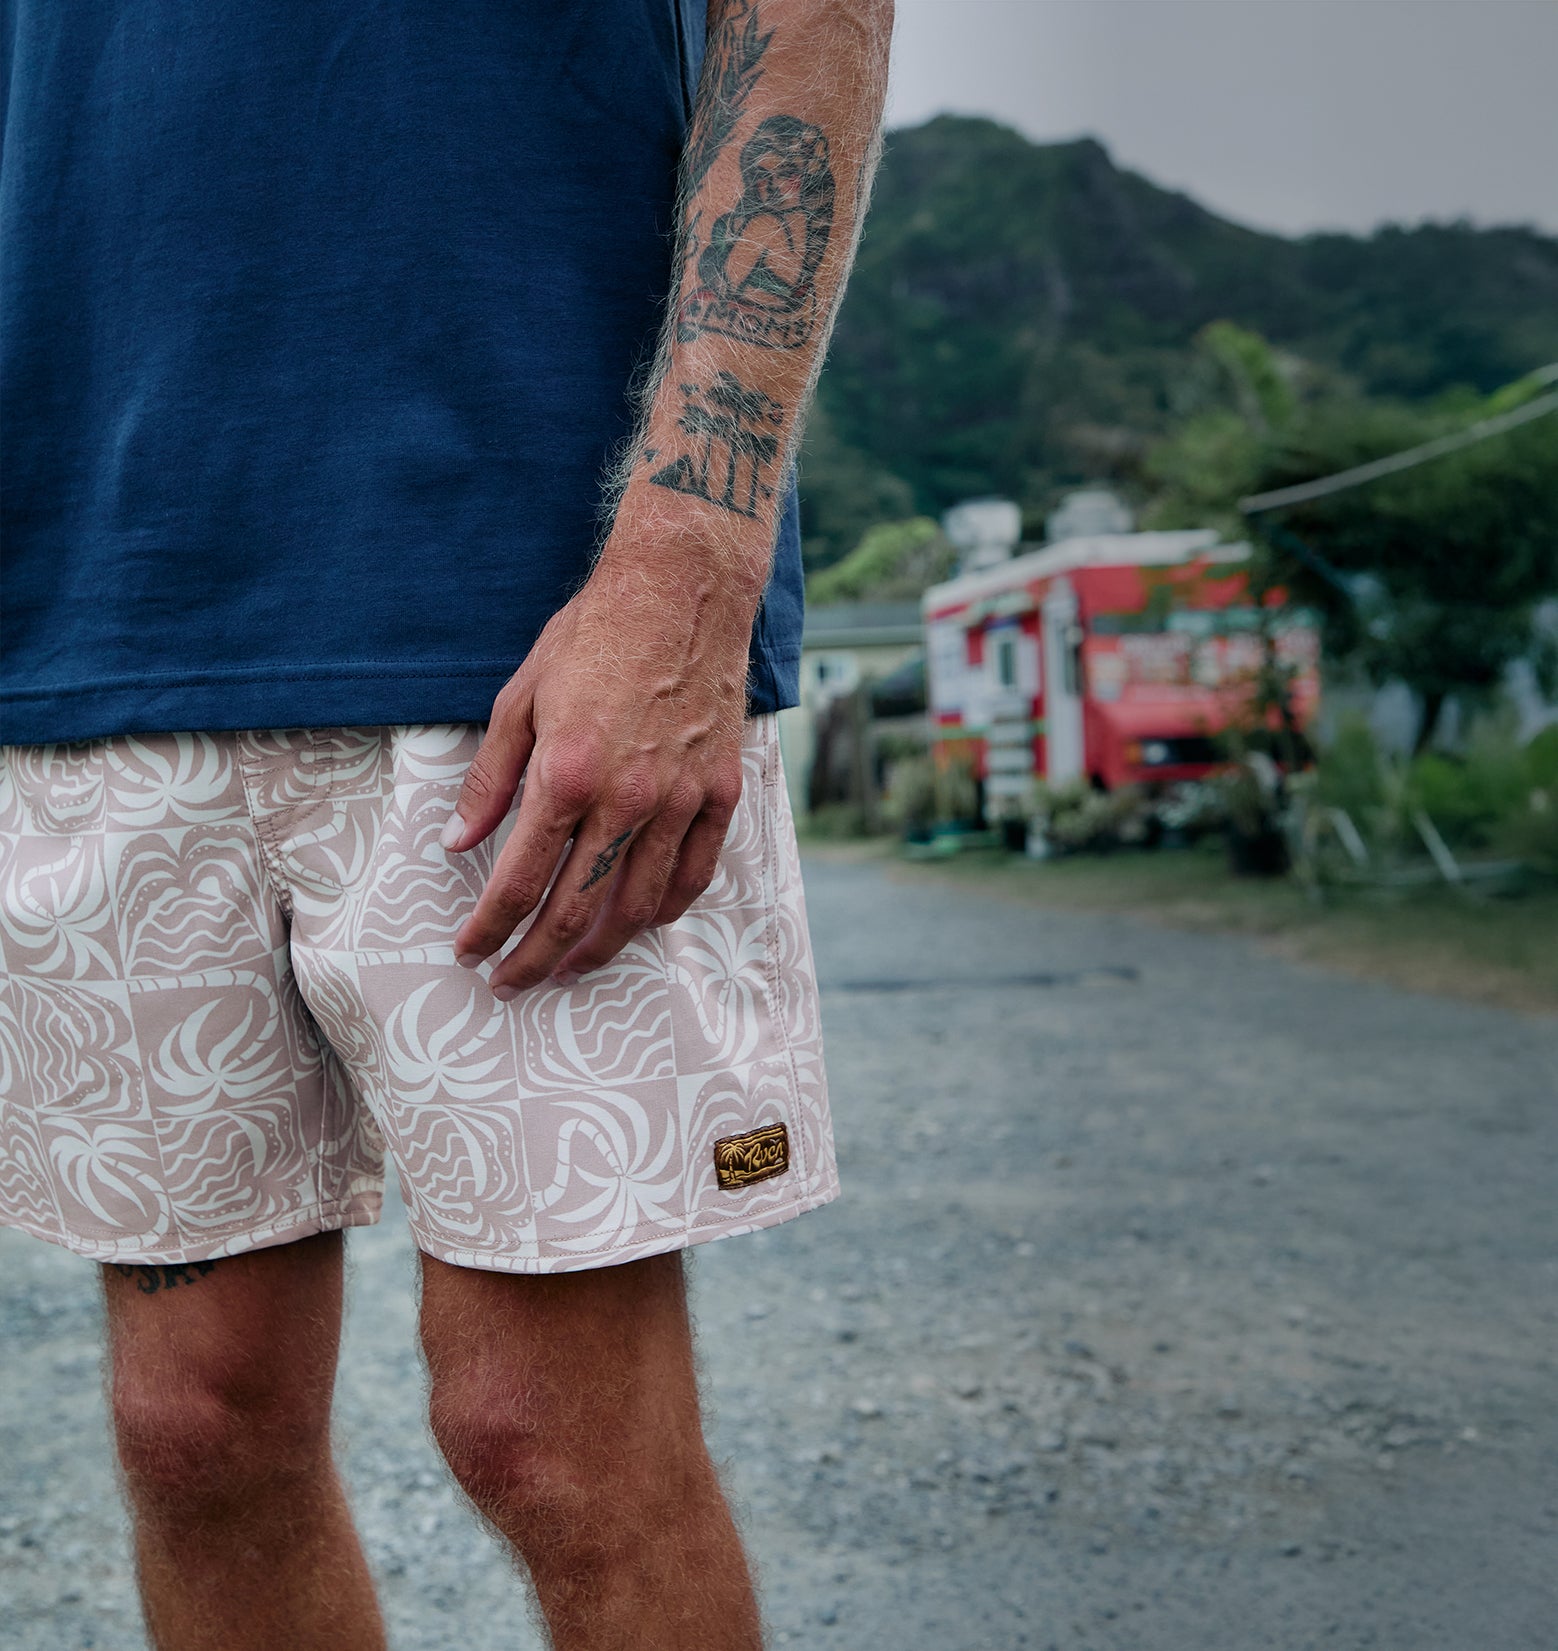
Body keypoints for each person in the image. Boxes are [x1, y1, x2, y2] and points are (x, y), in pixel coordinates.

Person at [0, 1, 892, 1646]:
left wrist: (691, 556)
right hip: (95, 612)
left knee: (551, 1441)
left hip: (521, 625)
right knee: (191, 1431)